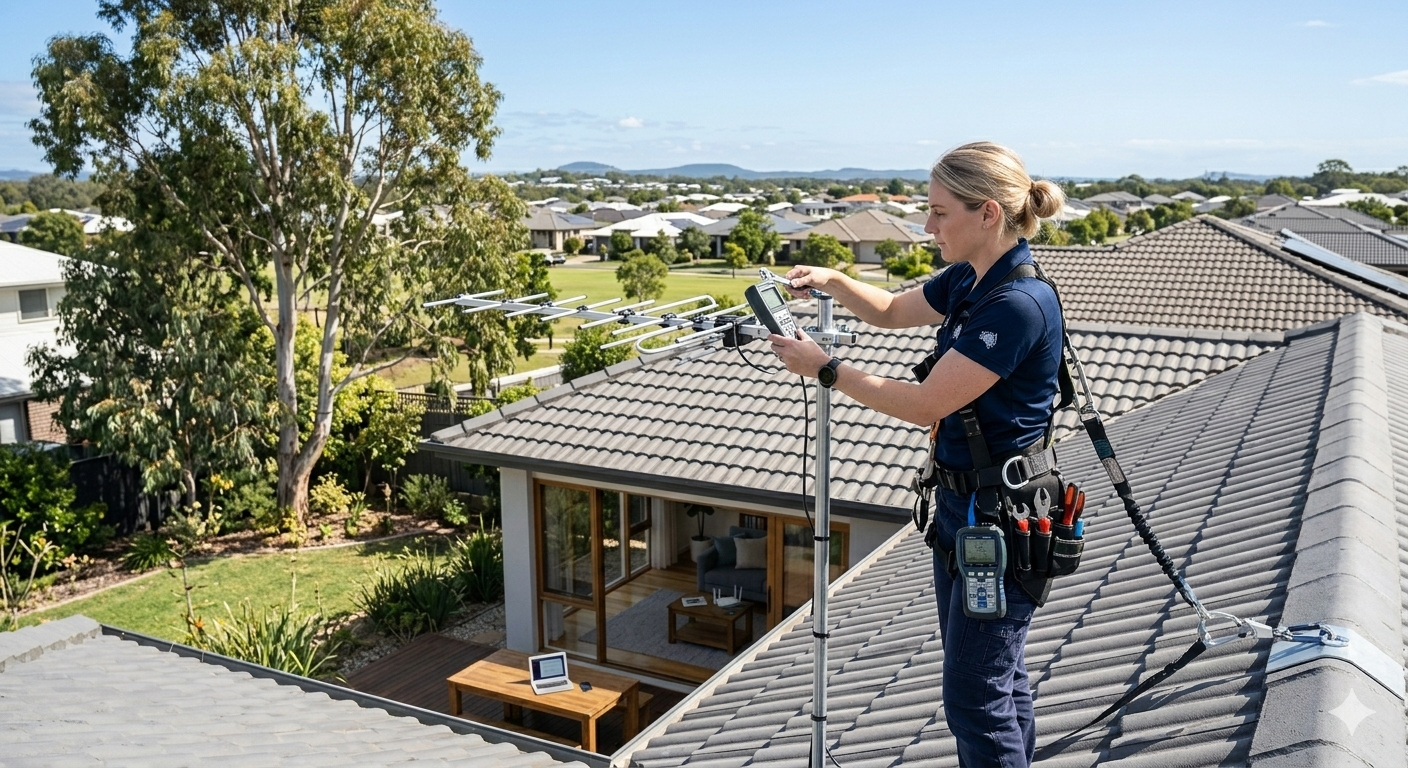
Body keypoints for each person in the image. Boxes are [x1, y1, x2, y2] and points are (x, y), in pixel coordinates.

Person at [767, 142, 1066, 767]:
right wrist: (833, 279)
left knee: (976, 698)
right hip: (965, 511)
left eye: (938, 212)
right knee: (998, 682)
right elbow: (893, 311)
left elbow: (928, 403)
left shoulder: (1016, 305)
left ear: (988, 213)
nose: (927, 228)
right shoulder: (971, 278)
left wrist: (826, 371)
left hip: (1001, 519)